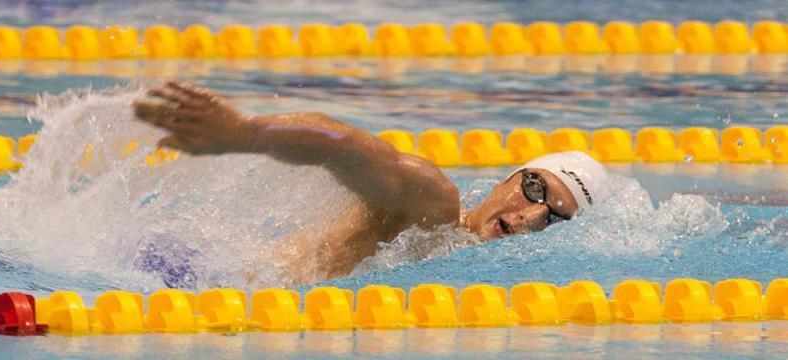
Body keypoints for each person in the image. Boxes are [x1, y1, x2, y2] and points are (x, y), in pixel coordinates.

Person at [132, 81, 611, 282]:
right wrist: (244, 134)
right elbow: (350, 147)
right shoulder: (432, 206)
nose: (530, 216)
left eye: (554, 218)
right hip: (188, 282)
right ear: (507, 178)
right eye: (534, 188)